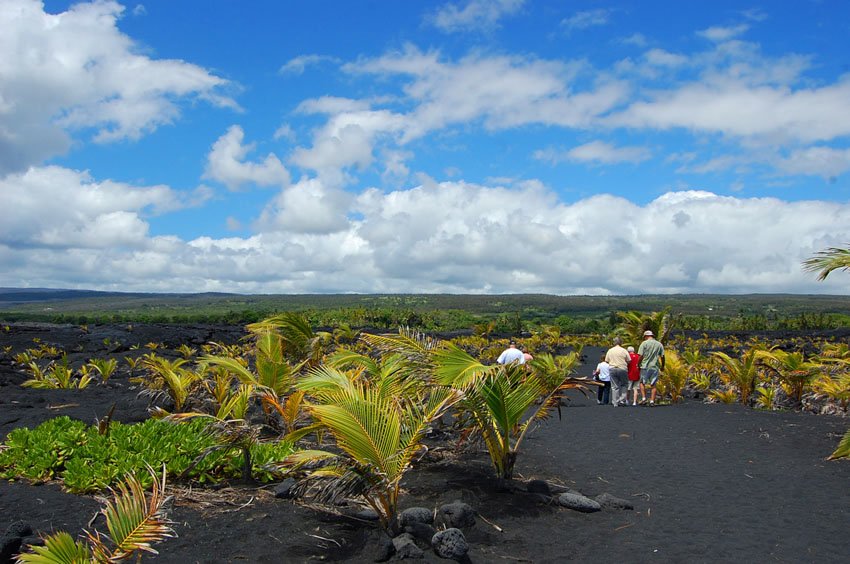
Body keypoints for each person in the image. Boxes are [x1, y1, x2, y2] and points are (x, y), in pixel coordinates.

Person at [637, 330, 665, 406]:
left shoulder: (644, 343)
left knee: (642, 383)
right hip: (655, 366)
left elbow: (641, 355)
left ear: (646, 336)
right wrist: (662, 366)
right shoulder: (659, 344)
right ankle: (652, 401)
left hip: (645, 366)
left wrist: (638, 364)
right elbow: (662, 356)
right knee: (653, 384)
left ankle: (643, 398)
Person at [605, 337, 631, 407]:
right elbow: (629, 360)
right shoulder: (624, 350)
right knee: (624, 384)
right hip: (622, 368)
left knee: (614, 386)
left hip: (612, 368)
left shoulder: (610, 350)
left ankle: (615, 403)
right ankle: (621, 399)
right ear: (621, 342)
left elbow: (606, 360)